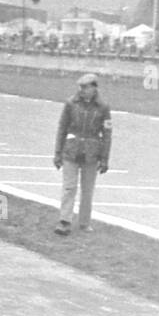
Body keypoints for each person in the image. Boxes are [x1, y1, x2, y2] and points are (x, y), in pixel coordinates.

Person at [52, 73, 112, 235]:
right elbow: (62, 128)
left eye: (85, 87)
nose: (82, 90)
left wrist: (105, 158)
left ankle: (84, 222)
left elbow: (107, 134)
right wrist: (57, 153)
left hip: (91, 153)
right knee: (69, 187)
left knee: (87, 190)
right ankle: (64, 221)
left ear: (94, 88)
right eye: (80, 87)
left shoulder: (103, 107)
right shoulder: (71, 103)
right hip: (71, 150)